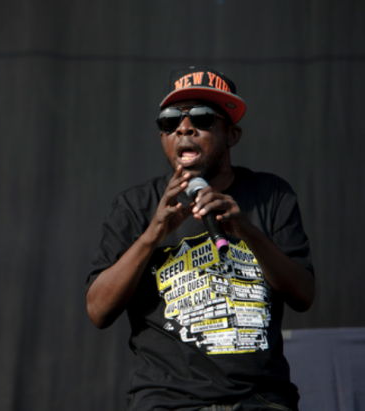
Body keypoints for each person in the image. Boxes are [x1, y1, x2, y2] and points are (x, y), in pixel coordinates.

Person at [86, 67, 315, 411]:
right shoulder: (136, 206)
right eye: (169, 120)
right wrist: (153, 235)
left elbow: (304, 295)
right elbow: (98, 311)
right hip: (168, 401)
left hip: (259, 400)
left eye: (203, 118)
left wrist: (246, 230)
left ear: (231, 134)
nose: (184, 127)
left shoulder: (272, 196)